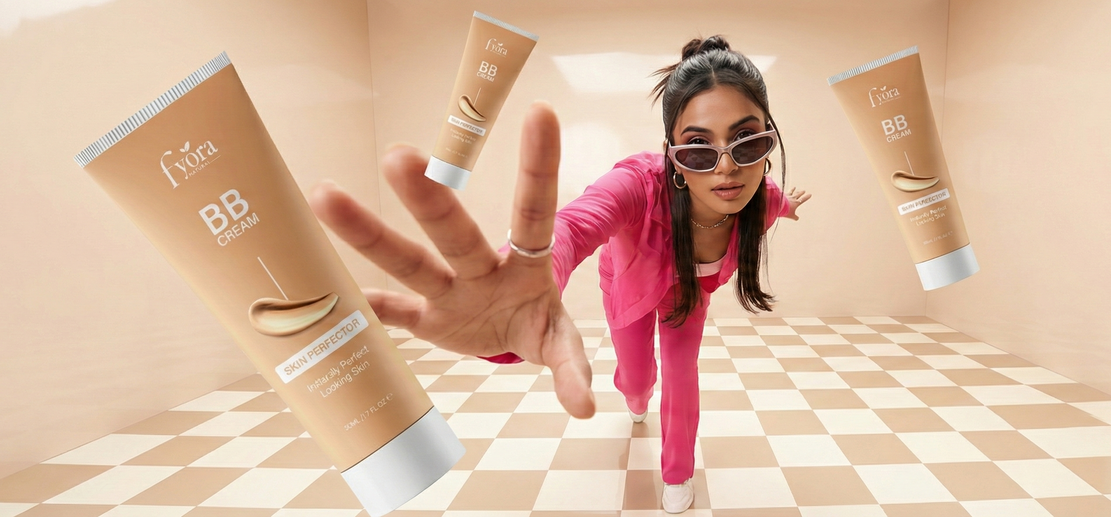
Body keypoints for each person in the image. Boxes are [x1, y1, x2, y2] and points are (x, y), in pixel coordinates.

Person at [309, 35, 810, 514]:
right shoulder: (637, 184)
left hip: (686, 300)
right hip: (629, 287)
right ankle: (635, 395)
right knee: (638, 379)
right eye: (699, 147)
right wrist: (532, 271)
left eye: (746, 141)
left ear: (769, 139)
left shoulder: (758, 200)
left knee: (682, 376)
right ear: (673, 156)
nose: (727, 167)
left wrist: (788, 206)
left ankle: (677, 473)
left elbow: (774, 200)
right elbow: (575, 223)